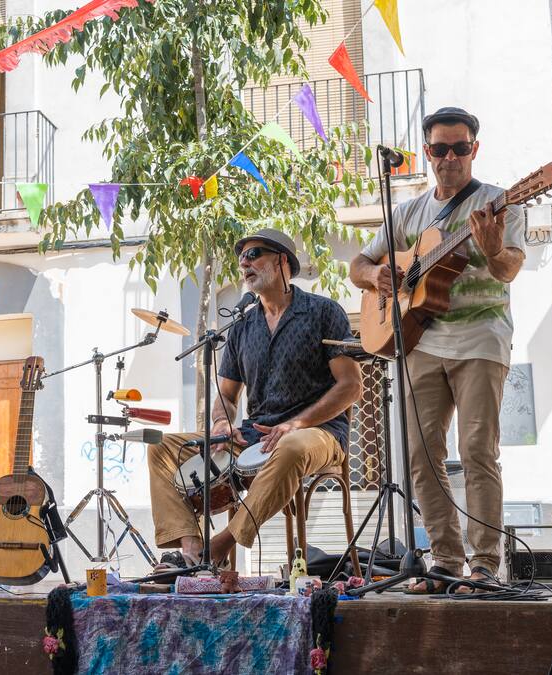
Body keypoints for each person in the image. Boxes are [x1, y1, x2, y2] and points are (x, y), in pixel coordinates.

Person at [349, 107, 525, 592]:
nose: (450, 158)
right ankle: (445, 560)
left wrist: (492, 248)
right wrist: (377, 274)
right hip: (420, 339)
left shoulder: (499, 204)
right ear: (427, 152)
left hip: (481, 338)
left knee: (476, 450)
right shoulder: (408, 213)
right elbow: (359, 264)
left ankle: (484, 564)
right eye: (441, 149)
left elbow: (508, 269)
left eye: (460, 148)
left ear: (474, 150)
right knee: (421, 456)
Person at [147, 229, 362, 569]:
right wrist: (222, 421)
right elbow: (227, 395)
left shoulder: (323, 312)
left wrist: (296, 424)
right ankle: (191, 550)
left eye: (254, 254)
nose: (244, 263)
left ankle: (221, 545)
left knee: (291, 446)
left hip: (317, 433)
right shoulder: (243, 325)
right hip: (254, 435)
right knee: (162, 448)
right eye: (241, 258)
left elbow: (351, 386)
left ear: (282, 261)